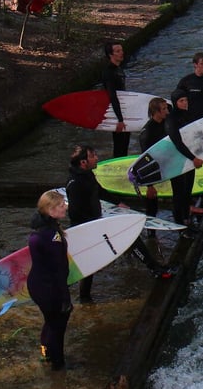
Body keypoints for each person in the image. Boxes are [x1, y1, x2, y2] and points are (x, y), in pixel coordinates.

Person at [66, 145, 175, 303]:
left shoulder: (87, 174)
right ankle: (82, 297)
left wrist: (118, 203)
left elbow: (99, 191)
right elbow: (75, 212)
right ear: (83, 162)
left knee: (129, 238)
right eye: (93, 156)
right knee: (89, 263)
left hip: (97, 220)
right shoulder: (75, 183)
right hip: (88, 227)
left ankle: (154, 268)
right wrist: (95, 225)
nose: (97, 158)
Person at [27, 189, 72, 371]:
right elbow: (58, 270)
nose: (65, 207)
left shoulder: (39, 230)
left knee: (50, 320)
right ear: (51, 211)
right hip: (48, 288)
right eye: (61, 205)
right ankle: (58, 365)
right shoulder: (52, 237)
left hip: (36, 285)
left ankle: (45, 353)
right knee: (58, 326)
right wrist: (65, 298)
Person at [165, 89, 203, 228]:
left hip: (189, 158)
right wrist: (193, 158)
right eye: (181, 101)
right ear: (175, 102)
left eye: (186, 100)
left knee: (188, 190)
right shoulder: (171, 120)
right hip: (176, 160)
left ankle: (186, 218)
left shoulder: (188, 115)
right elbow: (177, 143)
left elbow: (196, 138)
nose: (185, 103)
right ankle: (179, 223)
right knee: (178, 193)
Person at [138, 96, 170, 221]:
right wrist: (149, 185)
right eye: (164, 109)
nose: (167, 111)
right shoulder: (147, 133)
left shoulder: (166, 122)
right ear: (156, 112)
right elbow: (145, 159)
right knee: (152, 199)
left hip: (167, 162)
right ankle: (151, 225)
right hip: (152, 166)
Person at [102, 41, 130, 158]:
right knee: (119, 145)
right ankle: (117, 166)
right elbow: (112, 96)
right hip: (116, 114)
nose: (121, 53)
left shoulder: (118, 68)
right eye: (118, 51)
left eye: (121, 50)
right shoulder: (109, 72)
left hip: (123, 111)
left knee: (125, 144)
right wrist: (119, 119)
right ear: (110, 55)